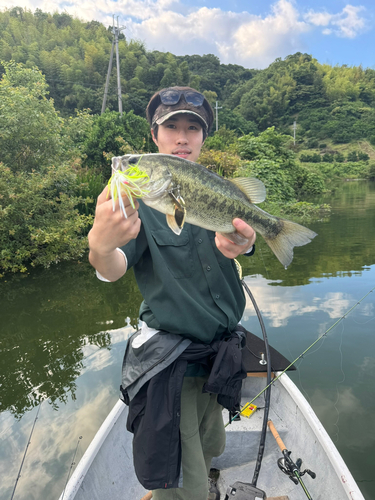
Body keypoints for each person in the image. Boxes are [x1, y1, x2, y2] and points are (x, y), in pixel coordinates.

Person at [88, 87, 257, 500]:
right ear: (155, 136)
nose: (182, 137)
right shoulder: (135, 200)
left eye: (192, 128)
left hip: (217, 358)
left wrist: (248, 243)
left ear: (203, 138)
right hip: (170, 365)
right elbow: (112, 269)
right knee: (185, 485)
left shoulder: (215, 190)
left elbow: (241, 239)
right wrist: (100, 245)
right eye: (172, 127)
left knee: (211, 444)